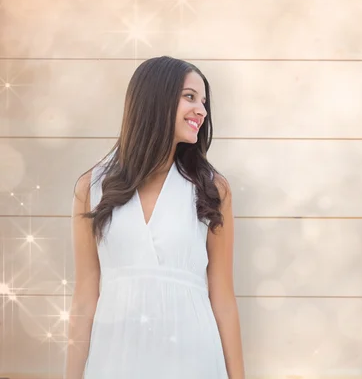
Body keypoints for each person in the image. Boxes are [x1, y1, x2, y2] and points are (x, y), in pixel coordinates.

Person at [65, 56, 245, 379]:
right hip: (114, 359)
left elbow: (224, 300)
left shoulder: (212, 189)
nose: (202, 111)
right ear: (155, 98)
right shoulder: (91, 188)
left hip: (194, 360)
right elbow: (84, 299)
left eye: (204, 102)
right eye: (190, 97)